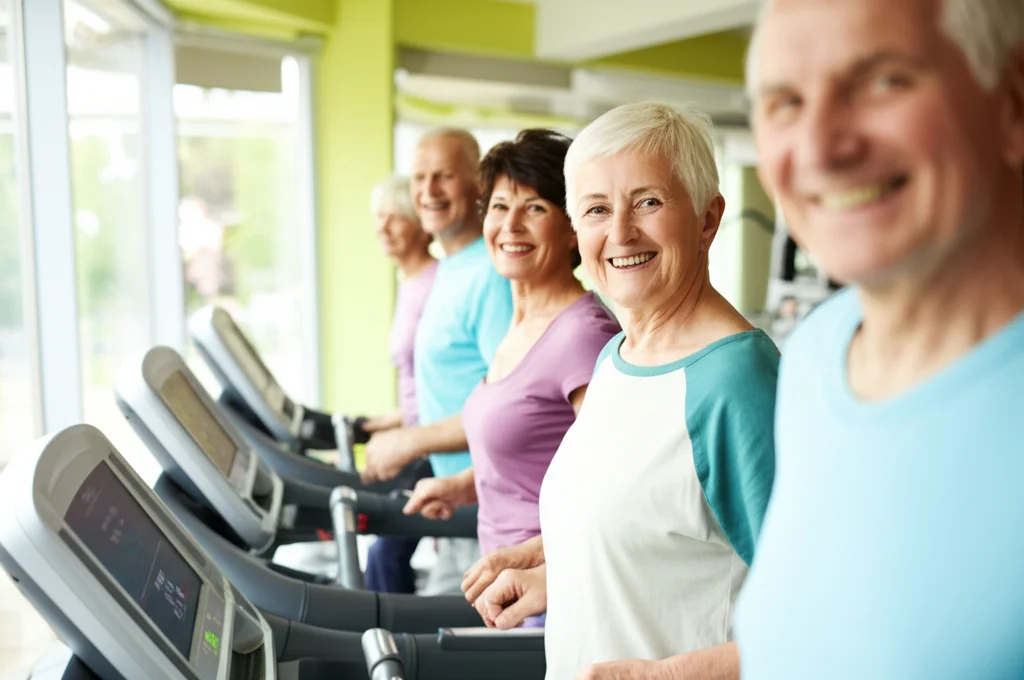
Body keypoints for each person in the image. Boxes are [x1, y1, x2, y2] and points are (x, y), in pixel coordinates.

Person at [734, 1, 1024, 678]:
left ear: (1012, 103)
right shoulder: (813, 355)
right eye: (784, 101)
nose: (819, 148)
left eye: (882, 82)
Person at [472, 102, 779, 680]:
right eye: (595, 209)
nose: (620, 232)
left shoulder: (736, 382)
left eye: (648, 202)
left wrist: (661, 676)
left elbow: (823, 617)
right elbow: (667, 537)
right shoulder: (618, 357)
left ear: (708, 219)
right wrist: (558, 569)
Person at [401, 130, 621, 626]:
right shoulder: (520, 325)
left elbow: (616, 488)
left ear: (572, 228)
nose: (511, 225)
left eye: (535, 208)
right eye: (500, 206)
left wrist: (551, 568)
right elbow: (540, 457)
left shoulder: (583, 336)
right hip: (505, 589)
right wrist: (465, 484)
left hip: (553, 596)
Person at [360, 128, 514, 595]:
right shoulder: (448, 267)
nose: (428, 192)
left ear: (477, 183)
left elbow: (508, 405)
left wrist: (409, 442)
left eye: (444, 176)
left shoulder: (492, 274)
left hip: (490, 502)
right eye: (420, 178)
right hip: (455, 497)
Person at [358, 174, 438, 594]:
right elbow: (418, 377)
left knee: (384, 552)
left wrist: (410, 436)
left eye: (393, 218)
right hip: (416, 431)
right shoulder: (409, 283)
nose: (381, 227)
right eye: (377, 218)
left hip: (435, 442)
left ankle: (393, 646)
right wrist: (390, 420)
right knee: (382, 547)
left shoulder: (435, 283)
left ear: (421, 224)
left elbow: (448, 380)